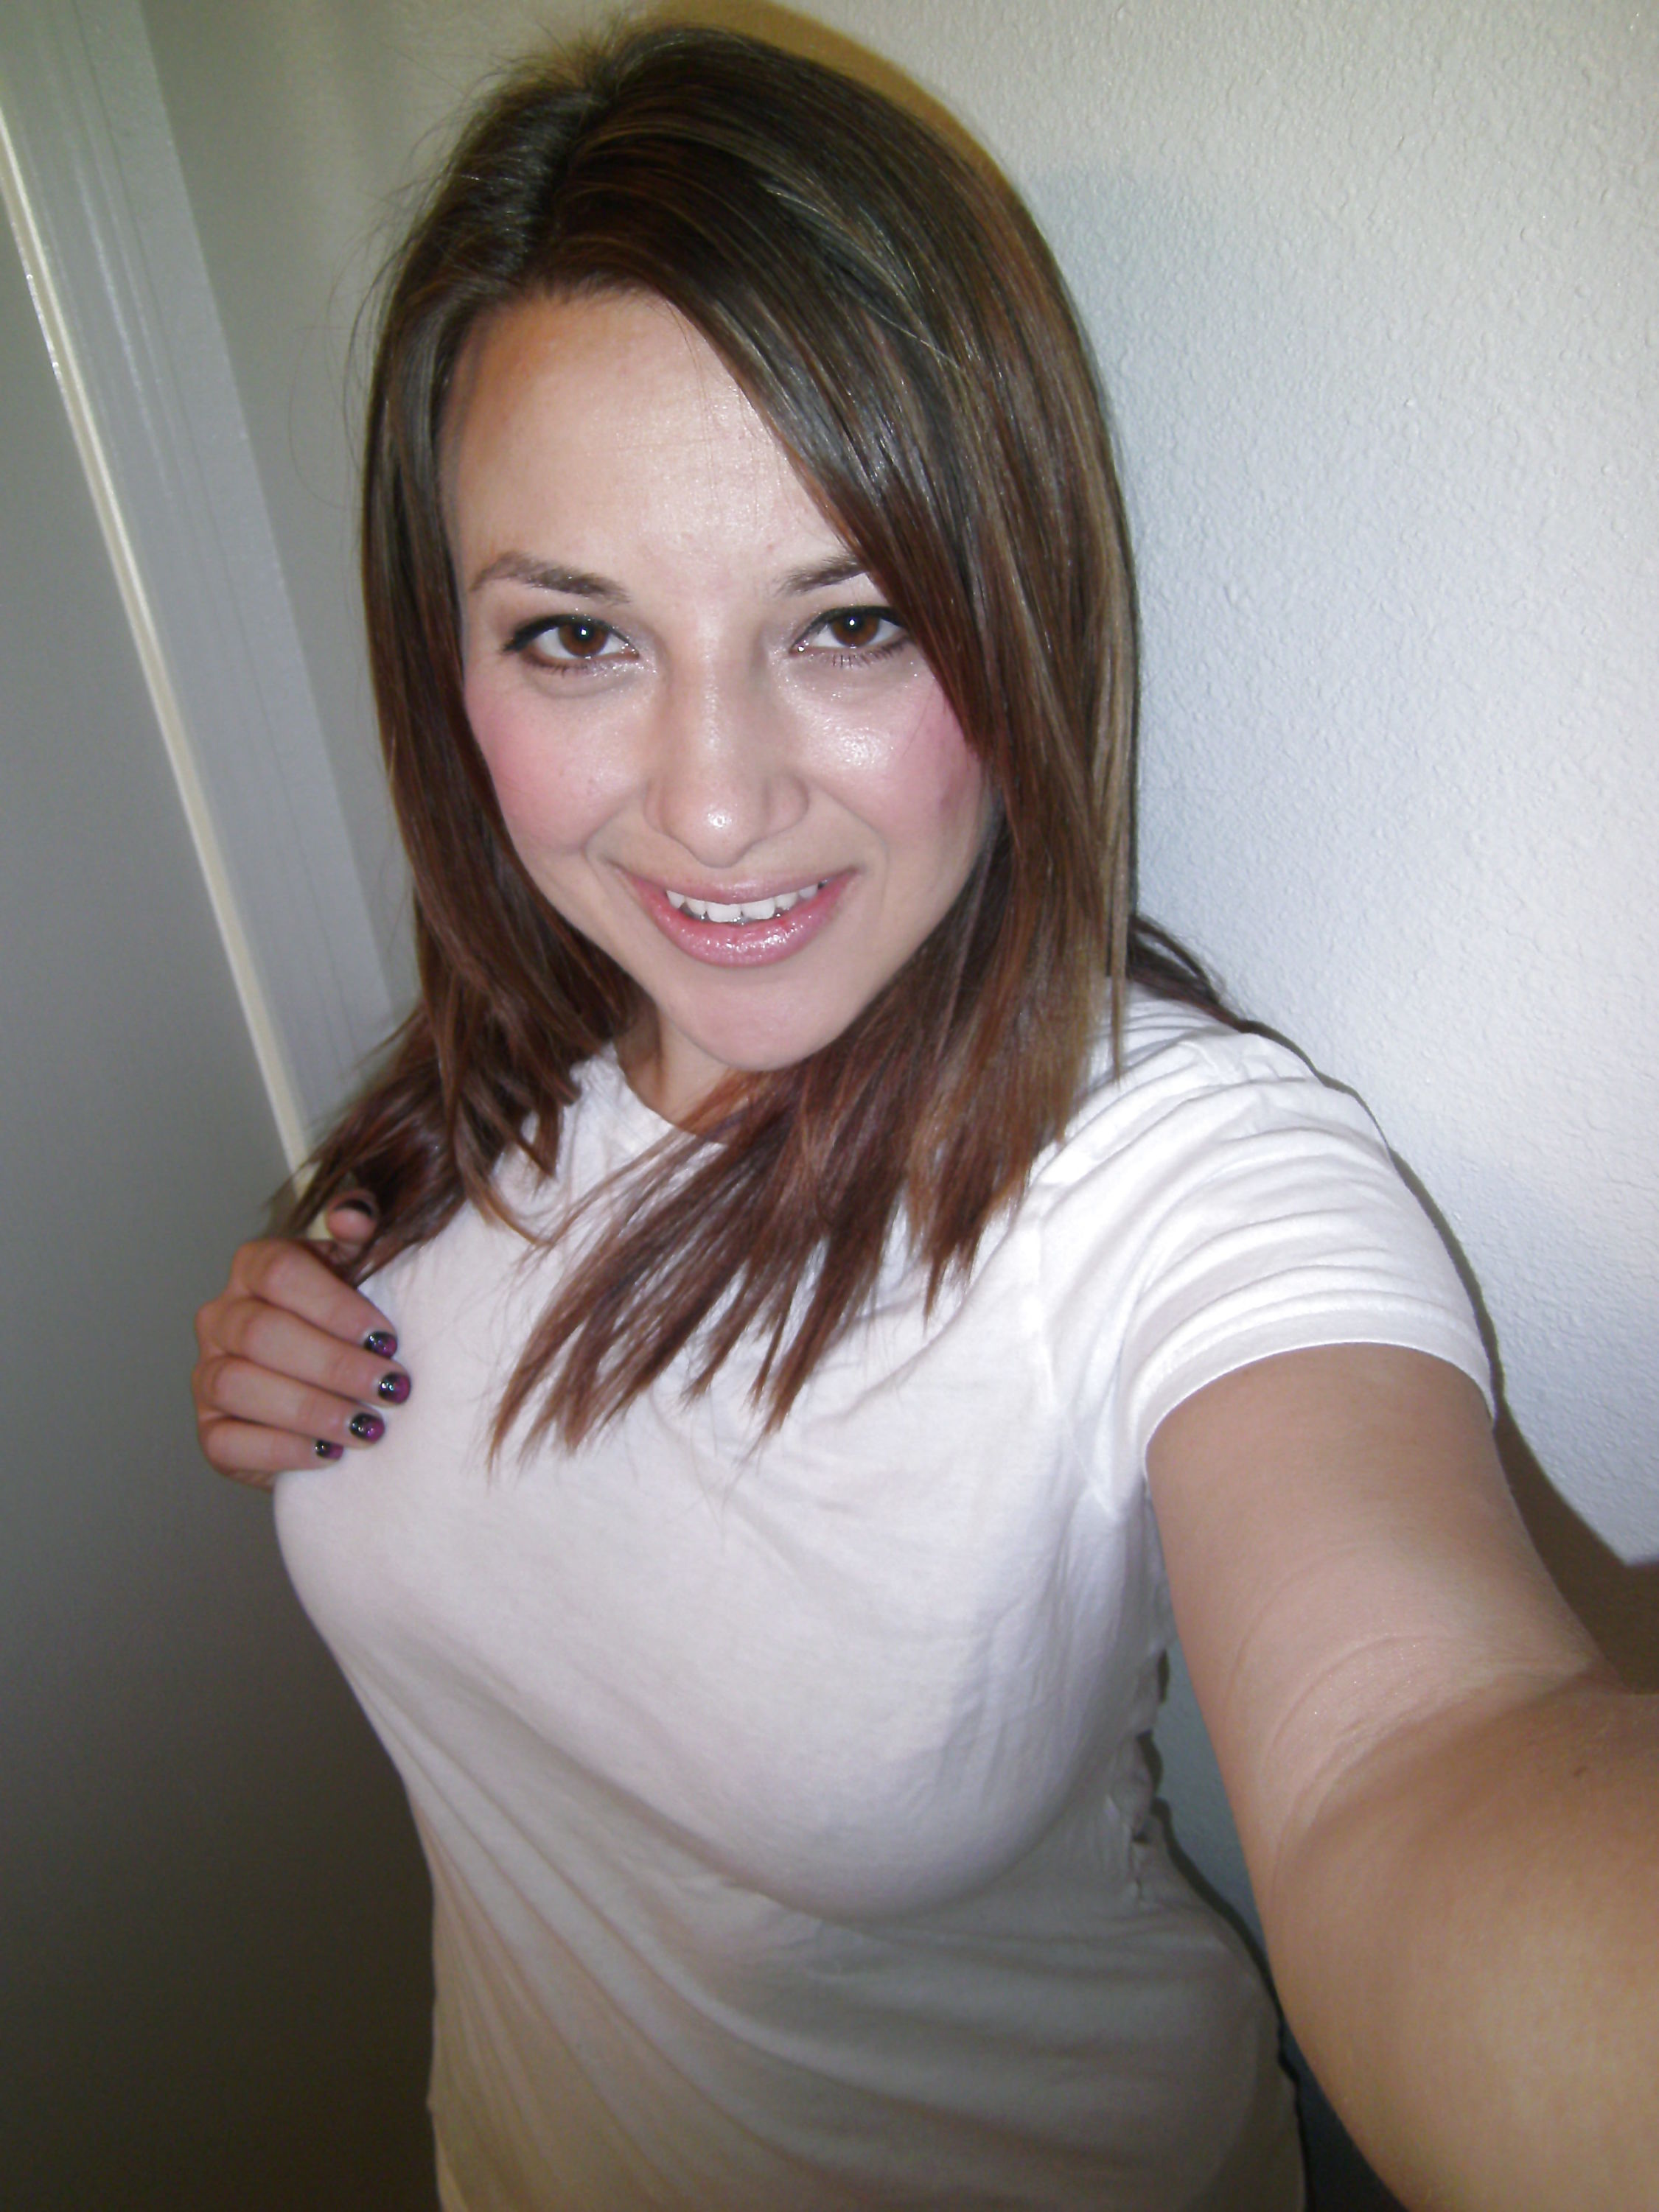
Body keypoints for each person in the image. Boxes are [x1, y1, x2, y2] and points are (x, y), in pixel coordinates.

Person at [192, 21, 1658, 2211]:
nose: (711, 802)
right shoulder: (480, 1088)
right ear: (448, 659)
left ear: (1015, 612)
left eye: (852, 620)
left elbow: (1413, 1749)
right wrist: (302, 1340)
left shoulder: (1166, 1168)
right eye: (577, 636)